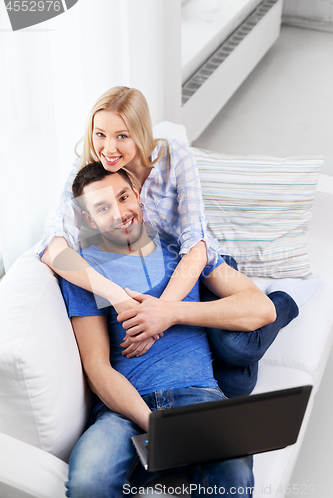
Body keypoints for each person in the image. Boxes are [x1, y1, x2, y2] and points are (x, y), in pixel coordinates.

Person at [39, 86, 320, 396]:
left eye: (122, 136)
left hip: (198, 263)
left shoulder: (174, 158)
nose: (108, 147)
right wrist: (118, 296)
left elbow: (196, 245)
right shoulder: (82, 175)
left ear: (140, 132)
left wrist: (164, 313)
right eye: (100, 134)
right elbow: (54, 250)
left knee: (238, 349)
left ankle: (285, 298)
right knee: (236, 384)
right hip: (157, 273)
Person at [60, 163, 274, 497]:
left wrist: (169, 312)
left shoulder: (184, 250)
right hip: (123, 412)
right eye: (103, 208)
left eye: (123, 197)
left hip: (197, 398)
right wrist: (151, 423)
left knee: (233, 475)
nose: (120, 213)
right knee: (90, 481)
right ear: (89, 220)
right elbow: (97, 366)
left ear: (138, 195)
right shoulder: (84, 271)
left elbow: (261, 308)